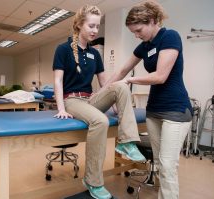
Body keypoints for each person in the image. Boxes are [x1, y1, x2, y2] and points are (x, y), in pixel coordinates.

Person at [53, 5, 145, 199]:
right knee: (100, 121)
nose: (95, 30)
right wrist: (60, 107)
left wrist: (115, 105)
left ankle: (127, 142)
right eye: (91, 26)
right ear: (79, 25)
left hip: (91, 99)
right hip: (73, 100)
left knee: (120, 85)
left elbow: (105, 83)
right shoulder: (63, 49)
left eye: (98, 26)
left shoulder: (95, 54)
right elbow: (58, 81)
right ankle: (93, 181)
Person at [106, 1, 193, 199]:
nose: (136, 35)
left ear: (152, 21)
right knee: (161, 163)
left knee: (168, 166)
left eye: (138, 30)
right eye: (133, 33)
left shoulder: (170, 37)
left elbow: (160, 76)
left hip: (176, 111)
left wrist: (129, 81)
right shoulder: (145, 46)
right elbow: (121, 70)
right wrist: (103, 92)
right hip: (154, 111)